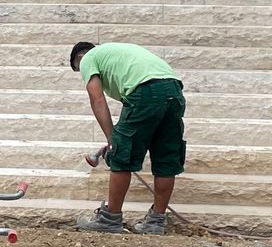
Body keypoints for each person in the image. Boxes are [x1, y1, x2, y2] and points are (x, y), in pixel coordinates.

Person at [69, 40, 185, 235]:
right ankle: (156, 222)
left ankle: (110, 218)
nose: (83, 73)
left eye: (78, 69)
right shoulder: (118, 53)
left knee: (121, 156)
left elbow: (97, 98)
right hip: (174, 90)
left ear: (79, 58)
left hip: (145, 91)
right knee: (166, 159)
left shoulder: (88, 57)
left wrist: (112, 138)